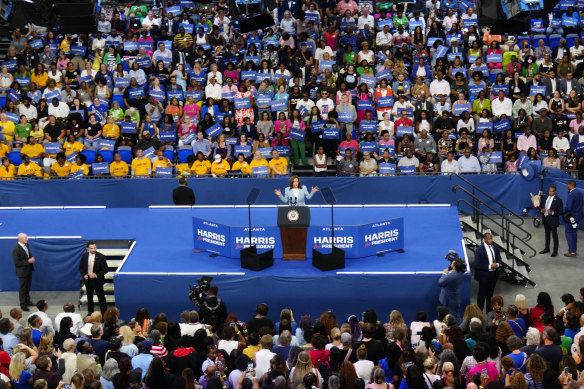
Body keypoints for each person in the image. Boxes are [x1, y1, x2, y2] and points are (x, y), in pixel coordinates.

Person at [78, 241, 108, 315]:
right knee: (89, 297)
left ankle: (104, 315)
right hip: (88, 280)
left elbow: (105, 269)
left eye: (95, 248)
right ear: (88, 248)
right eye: (92, 248)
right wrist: (84, 275)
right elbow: (81, 267)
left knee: (101, 298)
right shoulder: (84, 256)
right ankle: (90, 313)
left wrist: (97, 274)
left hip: (98, 281)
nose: (94, 249)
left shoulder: (101, 256)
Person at [474, 233, 502, 312]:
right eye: (489, 239)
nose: (491, 240)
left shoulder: (495, 247)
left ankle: (489, 310)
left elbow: (499, 259)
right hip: (483, 276)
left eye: (491, 239)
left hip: (493, 275)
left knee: (490, 294)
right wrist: (490, 266)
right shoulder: (479, 250)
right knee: (482, 295)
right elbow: (477, 264)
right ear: (484, 239)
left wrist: (497, 264)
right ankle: (479, 311)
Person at [12, 233, 35, 311]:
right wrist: (28, 261)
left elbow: (28, 253)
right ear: (20, 239)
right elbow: (17, 263)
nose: (27, 239)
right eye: (25, 238)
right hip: (22, 272)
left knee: (27, 287)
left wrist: (31, 257)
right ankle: (23, 305)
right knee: (23, 288)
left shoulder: (26, 245)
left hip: (28, 270)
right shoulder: (16, 249)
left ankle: (27, 301)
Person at [539, 185, 563, 257]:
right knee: (547, 235)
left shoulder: (558, 200)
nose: (550, 192)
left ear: (555, 192)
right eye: (549, 191)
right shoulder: (544, 197)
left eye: (552, 191)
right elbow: (540, 206)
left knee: (554, 236)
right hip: (545, 219)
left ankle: (555, 251)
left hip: (553, 220)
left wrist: (552, 212)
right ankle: (547, 248)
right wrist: (541, 210)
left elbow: (561, 211)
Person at [564, 180, 583, 257]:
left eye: (567, 185)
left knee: (568, 232)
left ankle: (572, 251)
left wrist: (564, 209)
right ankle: (573, 249)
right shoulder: (579, 193)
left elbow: (569, 207)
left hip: (571, 216)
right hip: (578, 216)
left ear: (570, 185)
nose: (566, 186)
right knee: (574, 232)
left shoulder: (571, 194)